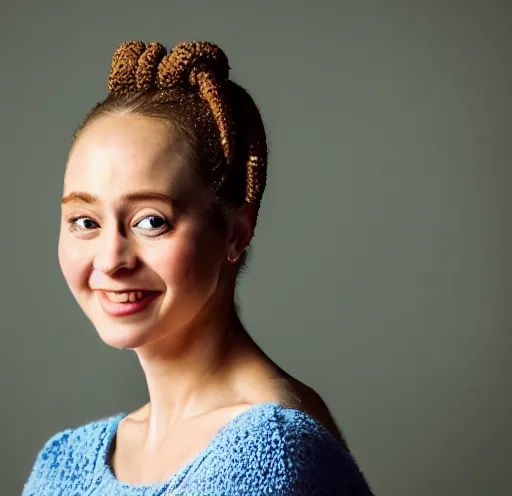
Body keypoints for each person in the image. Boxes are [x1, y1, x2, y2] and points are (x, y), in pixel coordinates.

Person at [22, 40, 374, 495]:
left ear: (236, 233)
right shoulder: (64, 461)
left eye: (151, 221)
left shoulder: (272, 451)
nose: (110, 260)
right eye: (85, 221)